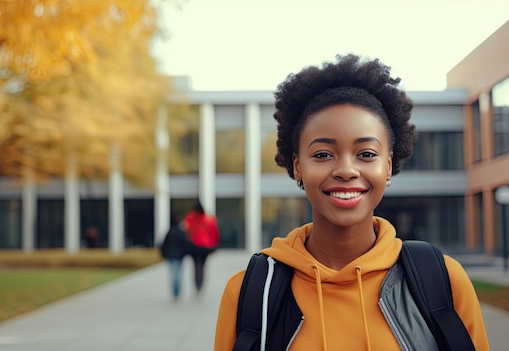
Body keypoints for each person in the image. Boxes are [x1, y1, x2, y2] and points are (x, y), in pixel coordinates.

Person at [214, 54, 489, 350]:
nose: (346, 170)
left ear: (387, 165)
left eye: (367, 154)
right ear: (297, 166)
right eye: (322, 154)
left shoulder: (444, 282)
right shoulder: (248, 293)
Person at [183, 200, 220, 297]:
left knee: (195, 266)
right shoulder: (209, 219)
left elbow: (186, 231)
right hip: (205, 247)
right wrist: (215, 245)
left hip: (194, 246)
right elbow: (214, 233)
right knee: (202, 266)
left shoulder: (190, 218)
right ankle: (200, 286)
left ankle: (197, 285)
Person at [159, 212, 191, 301]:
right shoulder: (181, 232)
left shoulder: (169, 232)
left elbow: (163, 245)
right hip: (178, 256)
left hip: (171, 256)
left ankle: (175, 293)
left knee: (173, 274)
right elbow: (186, 244)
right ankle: (176, 292)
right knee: (177, 274)